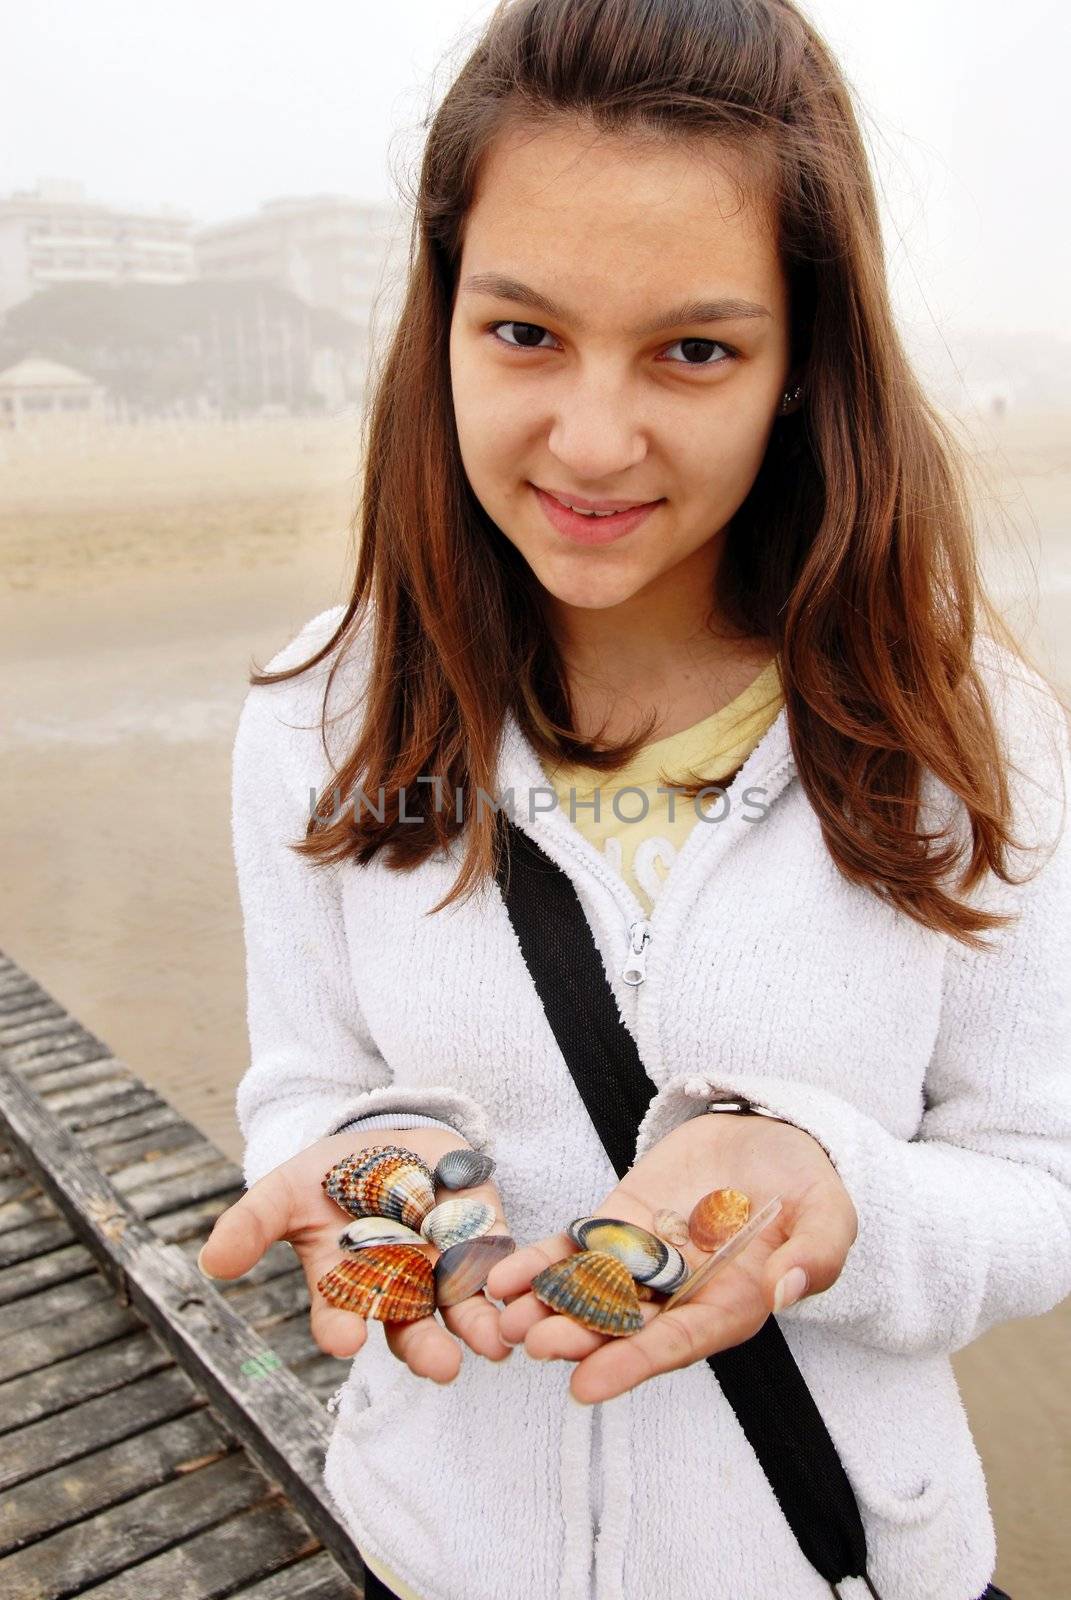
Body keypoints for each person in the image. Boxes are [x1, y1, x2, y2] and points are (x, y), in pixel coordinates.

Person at [196, 1, 1069, 1596]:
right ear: (442, 318)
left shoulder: (967, 730)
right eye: (524, 332)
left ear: (804, 363)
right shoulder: (316, 715)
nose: (593, 441)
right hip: (435, 1551)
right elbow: (305, 1080)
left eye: (695, 348)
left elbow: (1041, 1181)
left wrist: (835, 1201)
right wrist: (362, 1157)